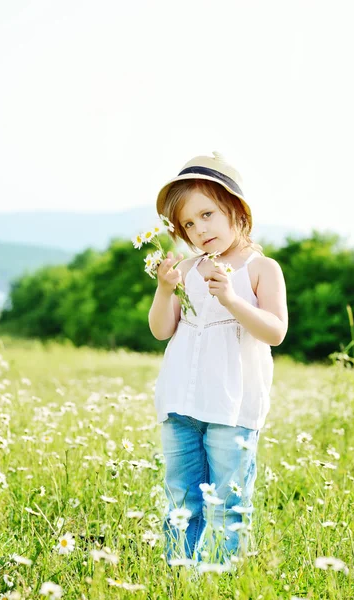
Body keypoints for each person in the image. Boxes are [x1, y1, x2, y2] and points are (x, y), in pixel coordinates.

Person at [148, 151, 288, 563]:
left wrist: (229, 297)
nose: (199, 229)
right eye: (188, 223)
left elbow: (275, 331)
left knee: (229, 502)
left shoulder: (261, 268)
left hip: (232, 407)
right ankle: (179, 573)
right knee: (180, 499)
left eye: (207, 214)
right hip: (181, 404)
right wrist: (164, 289)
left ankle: (224, 576)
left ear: (236, 210)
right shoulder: (190, 269)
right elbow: (162, 330)